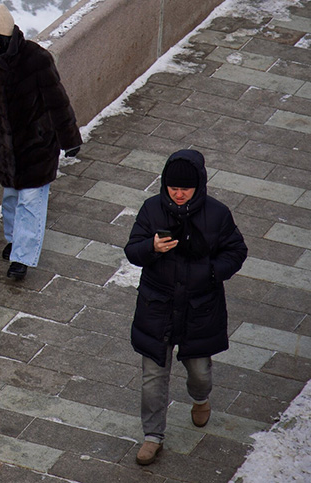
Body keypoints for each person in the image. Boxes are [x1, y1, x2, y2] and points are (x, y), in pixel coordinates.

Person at [124, 149, 247, 466]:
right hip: (157, 308)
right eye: (173, 188)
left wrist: (211, 272)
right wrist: (151, 247)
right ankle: (153, 436)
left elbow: (236, 251)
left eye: (185, 188)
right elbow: (133, 250)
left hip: (199, 309)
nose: (178, 194)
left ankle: (201, 398)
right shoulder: (152, 210)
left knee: (200, 372)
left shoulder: (217, 215)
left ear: (198, 187)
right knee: (153, 378)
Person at [0, 3, 82, 280]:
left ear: (2, 33)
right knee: (11, 198)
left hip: (37, 146)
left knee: (30, 202)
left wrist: (69, 139)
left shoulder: (37, 59)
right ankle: (14, 241)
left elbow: (58, 101)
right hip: (6, 150)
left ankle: (22, 257)